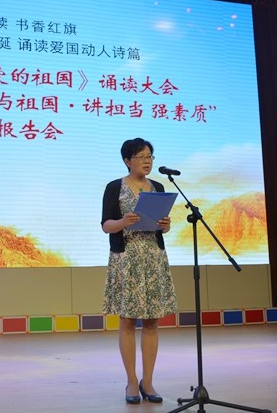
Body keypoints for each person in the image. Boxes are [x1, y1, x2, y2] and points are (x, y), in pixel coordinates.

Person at [101, 137, 177, 404]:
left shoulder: (158, 187)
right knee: (128, 320)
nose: (147, 161)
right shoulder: (115, 187)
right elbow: (106, 226)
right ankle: (132, 382)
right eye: (141, 157)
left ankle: (148, 381)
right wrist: (123, 221)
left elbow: (162, 227)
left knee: (153, 321)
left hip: (153, 259)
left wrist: (165, 225)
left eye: (150, 157)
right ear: (127, 160)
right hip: (127, 259)